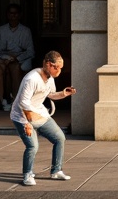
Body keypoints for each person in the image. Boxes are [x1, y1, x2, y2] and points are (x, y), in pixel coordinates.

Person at [10, 50, 76, 185]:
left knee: (59, 138)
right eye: (57, 68)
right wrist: (27, 123)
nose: (59, 71)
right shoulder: (31, 79)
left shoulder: (50, 79)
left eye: (61, 68)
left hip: (40, 114)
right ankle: (27, 174)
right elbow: (24, 103)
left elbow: (50, 94)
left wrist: (64, 94)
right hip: (22, 116)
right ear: (48, 64)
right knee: (32, 146)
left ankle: (56, 171)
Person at [0, 3, 35, 102]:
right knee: (5, 69)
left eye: (15, 13)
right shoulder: (2, 29)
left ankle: (16, 98)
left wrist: (16, 58)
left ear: (20, 15)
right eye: (11, 13)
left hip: (22, 58)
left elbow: (31, 51)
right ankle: (7, 98)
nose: (13, 16)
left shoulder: (26, 31)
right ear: (7, 15)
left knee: (16, 67)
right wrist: (8, 58)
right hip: (5, 57)